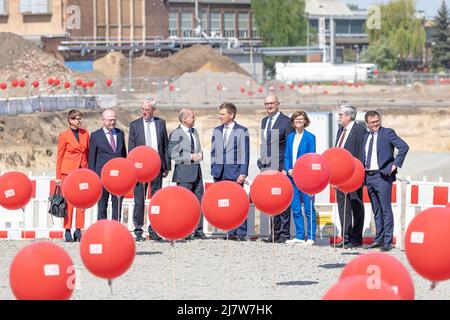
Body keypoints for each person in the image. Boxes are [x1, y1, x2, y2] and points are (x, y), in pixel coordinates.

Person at [363, 110, 409, 252]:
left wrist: (395, 165)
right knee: (376, 210)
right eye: (372, 122)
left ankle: (388, 241)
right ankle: (379, 239)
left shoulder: (387, 133)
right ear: (367, 123)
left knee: (386, 209)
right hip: (368, 176)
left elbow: (404, 147)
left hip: (382, 176)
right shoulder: (365, 136)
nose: (376, 124)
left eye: (377, 121)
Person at [128, 98, 170, 242]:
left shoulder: (160, 123)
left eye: (147, 109)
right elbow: (131, 149)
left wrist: (166, 166)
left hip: (157, 167)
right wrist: (132, 167)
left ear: (153, 110)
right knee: (139, 199)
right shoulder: (135, 125)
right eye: (142, 109)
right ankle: (138, 230)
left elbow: (165, 146)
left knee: (156, 199)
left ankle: (154, 230)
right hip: (139, 169)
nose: (144, 112)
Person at [257, 94, 294, 244]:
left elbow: (289, 147)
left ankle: (284, 234)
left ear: (278, 104)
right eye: (267, 104)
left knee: (282, 200)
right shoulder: (264, 121)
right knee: (271, 200)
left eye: (272, 103)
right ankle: (274, 233)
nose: (269, 106)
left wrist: (286, 167)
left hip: (280, 167)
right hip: (267, 167)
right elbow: (265, 143)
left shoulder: (286, 122)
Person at [211, 102, 250, 241]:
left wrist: (243, 173)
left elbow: (245, 153)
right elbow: (214, 152)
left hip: (235, 173)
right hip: (219, 173)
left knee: (238, 203)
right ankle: (230, 232)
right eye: (219, 113)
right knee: (225, 203)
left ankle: (241, 233)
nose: (219, 116)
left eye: (222, 114)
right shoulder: (217, 130)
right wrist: (213, 169)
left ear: (231, 115)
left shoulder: (242, 130)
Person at [168, 109, 207, 240]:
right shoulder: (175, 134)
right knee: (184, 204)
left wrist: (201, 155)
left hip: (197, 172)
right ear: (185, 119)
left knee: (198, 202)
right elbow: (173, 154)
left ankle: (198, 230)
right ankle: (183, 231)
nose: (195, 119)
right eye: (193, 117)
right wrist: (190, 156)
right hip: (184, 173)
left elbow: (198, 148)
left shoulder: (194, 132)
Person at [334, 105, 368, 248]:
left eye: (341, 114)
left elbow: (361, 153)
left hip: (354, 175)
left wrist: (359, 175)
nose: (339, 117)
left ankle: (356, 238)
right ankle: (345, 237)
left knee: (356, 205)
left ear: (349, 116)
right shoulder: (341, 130)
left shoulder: (359, 130)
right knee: (343, 206)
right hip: (340, 176)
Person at [284, 111, 317, 245]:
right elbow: (287, 155)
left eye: (301, 119)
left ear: (305, 121)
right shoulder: (290, 137)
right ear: (293, 122)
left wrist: (302, 170)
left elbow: (311, 156)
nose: (298, 121)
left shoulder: (310, 137)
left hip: (306, 178)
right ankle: (299, 235)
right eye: (296, 119)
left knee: (309, 208)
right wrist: (288, 169)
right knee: (296, 208)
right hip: (292, 178)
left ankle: (311, 237)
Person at [56, 109, 89, 242]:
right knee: (68, 202)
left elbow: (88, 153)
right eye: (77, 118)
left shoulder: (85, 134)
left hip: (82, 171)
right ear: (70, 120)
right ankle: (67, 230)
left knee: (81, 201)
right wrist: (58, 176)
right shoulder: (64, 135)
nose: (80, 121)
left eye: (81, 118)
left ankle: (79, 229)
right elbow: (60, 156)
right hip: (68, 172)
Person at [88, 109, 127, 221]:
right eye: (110, 120)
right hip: (102, 176)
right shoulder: (95, 136)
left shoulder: (120, 133)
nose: (112, 122)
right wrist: (93, 177)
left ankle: (116, 227)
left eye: (114, 119)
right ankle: (101, 228)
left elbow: (123, 154)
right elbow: (92, 158)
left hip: (118, 177)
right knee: (102, 204)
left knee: (117, 203)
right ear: (103, 120)